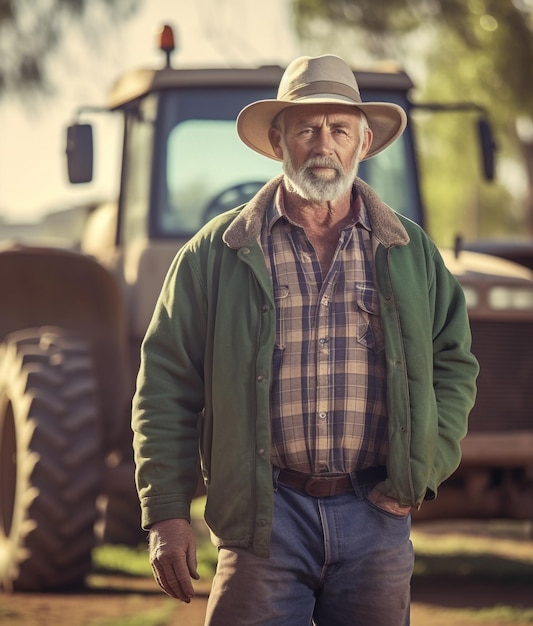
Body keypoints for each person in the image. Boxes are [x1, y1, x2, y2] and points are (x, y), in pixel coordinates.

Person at [132, 54, 479, 626]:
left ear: (363, 144)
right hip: (265, 519)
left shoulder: (411, 253)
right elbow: (165, 385)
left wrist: (424, 466)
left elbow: (455, 364)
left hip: (377, 516)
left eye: (339, 129)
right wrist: (166, 515)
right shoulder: (214, 253)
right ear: (277, 140)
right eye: (307, 128)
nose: (324, 144)